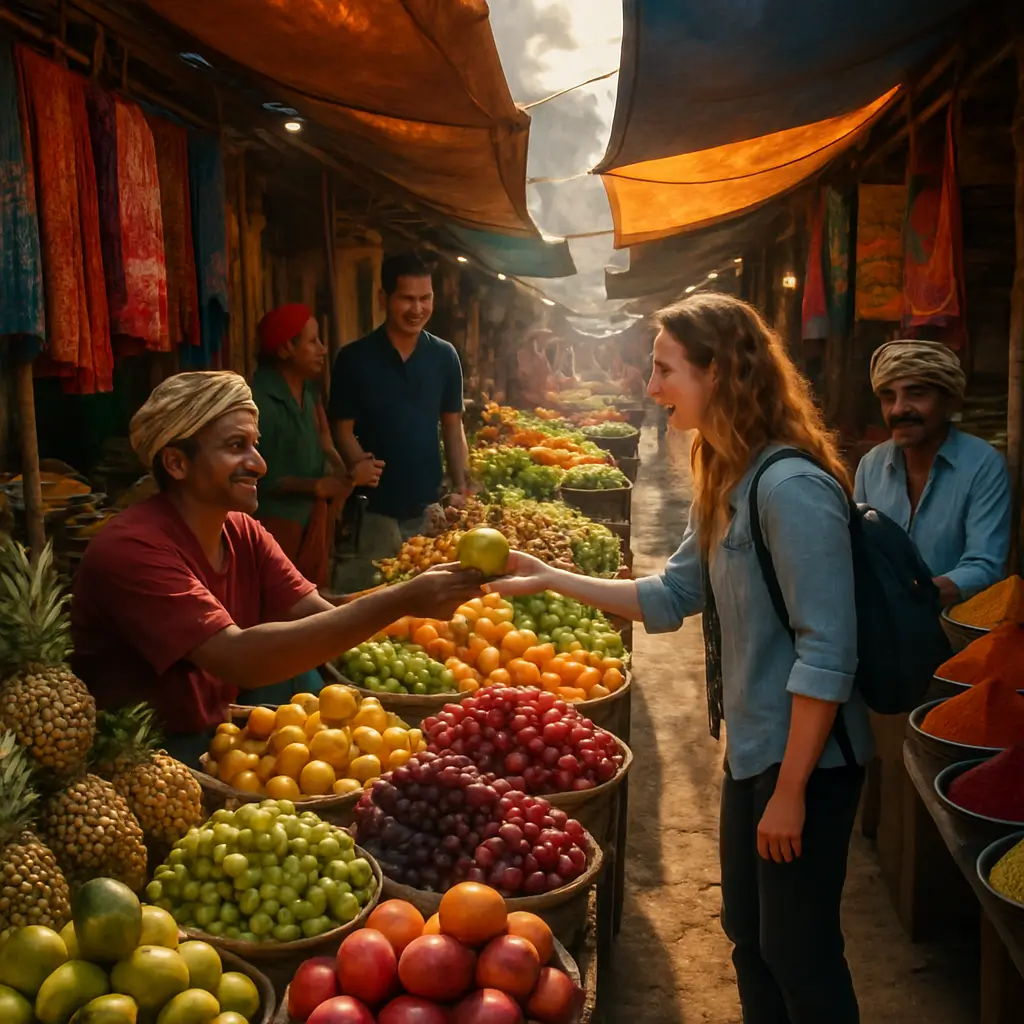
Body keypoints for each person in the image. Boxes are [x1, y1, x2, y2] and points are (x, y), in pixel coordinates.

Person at [489, 293, 873, 1024]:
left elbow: (829, 651)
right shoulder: (728, 474)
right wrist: (548, 576)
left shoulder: (791, 489)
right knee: (750, 939)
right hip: (753, 752)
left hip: (808, 763)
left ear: (717, 372)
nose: (651, 385)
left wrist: (791, 791)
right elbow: (671, 596)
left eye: (665, 369)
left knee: (800, 952)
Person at [70, 371, 484, 765]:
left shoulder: (241, 530)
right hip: (146, 755)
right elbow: (238, 658)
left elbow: (319, 614)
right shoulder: (133, 548)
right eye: (236, 446)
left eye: (255, 444)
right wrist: (401, 599)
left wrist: (421, 591)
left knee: (311, 688)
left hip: (219, 726)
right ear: (177, 463)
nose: (259, 464)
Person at [329, 253, 471, 558]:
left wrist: (460, 486)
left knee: (430, 583)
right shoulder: (354, 359)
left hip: (429, 506)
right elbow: (342, 429)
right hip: (374, 508)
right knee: (379, 582)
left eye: (425, 298)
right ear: (383, 298)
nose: (417, 309)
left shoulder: (445, 357)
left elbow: (452, 426)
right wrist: (358, 464)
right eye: (407, 299)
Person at [855, 339, 1010, 607]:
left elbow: (985, 565)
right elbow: (858, 552)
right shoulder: (871, 465)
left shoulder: (983, 465)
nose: (898, 409)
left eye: (916, 394)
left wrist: (918, 595)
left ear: (948, 402)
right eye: (888, 398)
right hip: (881, 623)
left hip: (950, 626)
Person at [250, 303, 382, 589]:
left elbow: (326, 446)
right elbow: (261, 478)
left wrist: (349, 473)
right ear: (286, 348)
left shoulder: (309, 393)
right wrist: (325, 485)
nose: (323, 349)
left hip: (311, 524)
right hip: (276, 529)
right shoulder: (258, 402)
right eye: (313, 342)